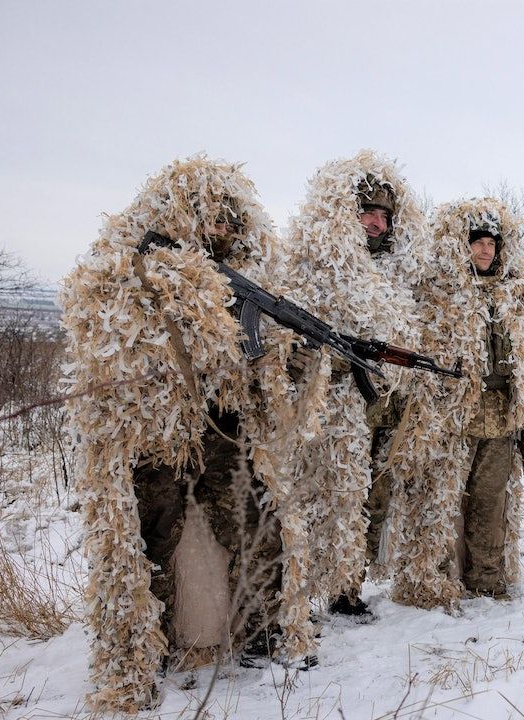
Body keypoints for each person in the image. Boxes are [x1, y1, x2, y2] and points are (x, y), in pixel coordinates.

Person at [59, 157, 322, 711]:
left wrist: (291, 360)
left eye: (231, 223)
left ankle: (264, 632)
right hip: (157, 437)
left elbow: (260, 371)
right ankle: (141, 651)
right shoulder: (135, 270)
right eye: (213, 221)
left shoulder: (251, 282)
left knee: (256, 524)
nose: (223, 232)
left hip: (224, 432)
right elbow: (110, 347)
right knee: (152, 536)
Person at [386, 198, 524, 609]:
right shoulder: (441, 295)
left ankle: (487, 580)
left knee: (491, 501)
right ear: (463, 246)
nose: (485, 251)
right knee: (441, 500)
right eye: (477, 242)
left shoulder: (514, 298)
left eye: (491, 244)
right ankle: (435, 579)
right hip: (453, 417)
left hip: (499, 418)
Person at [283, 150, 424, 619]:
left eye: (384, 215)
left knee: (362, 499)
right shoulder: (314, 265)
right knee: (322, 496)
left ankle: (347, 588)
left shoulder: (398, 273)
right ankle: (302, 591)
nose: (376, 222)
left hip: (381, 403)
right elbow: (290, 329)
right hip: (328, 401)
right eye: (367, 212)